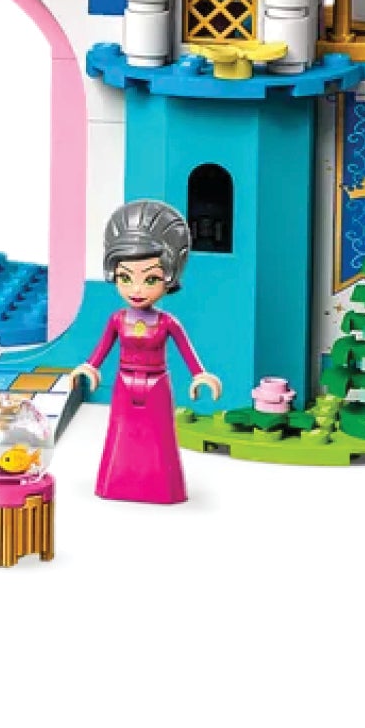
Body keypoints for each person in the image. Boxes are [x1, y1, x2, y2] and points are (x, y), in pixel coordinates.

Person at [70, 200, 221, 504]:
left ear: (170, 275)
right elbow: (101, 349)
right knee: (120, 433)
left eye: (150, 279)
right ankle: (116, 484)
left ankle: (162, 489)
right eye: (126, 277)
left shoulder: (167, 322)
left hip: (157, 385)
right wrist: (90, 366)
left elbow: (187, 353)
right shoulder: (117, 320)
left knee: (160, 437)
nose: (136, 289)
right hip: (124, 384)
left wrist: (200, 375)